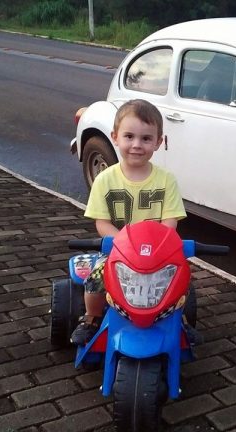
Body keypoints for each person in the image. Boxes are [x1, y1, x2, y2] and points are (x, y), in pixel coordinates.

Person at [71, 99, 187, 345]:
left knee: (180, 280)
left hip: (156, 255)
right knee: (95, 278)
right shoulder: (105, 180)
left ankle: (180, 320)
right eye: (129, 136)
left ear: (158, 142)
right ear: (115, 137)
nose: (137, 145)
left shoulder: (166, 180)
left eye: (146, 138)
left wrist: (160, 247)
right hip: (118, 252)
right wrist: (123, 243)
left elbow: (170, 220)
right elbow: (102, 223)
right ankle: (91, 317)